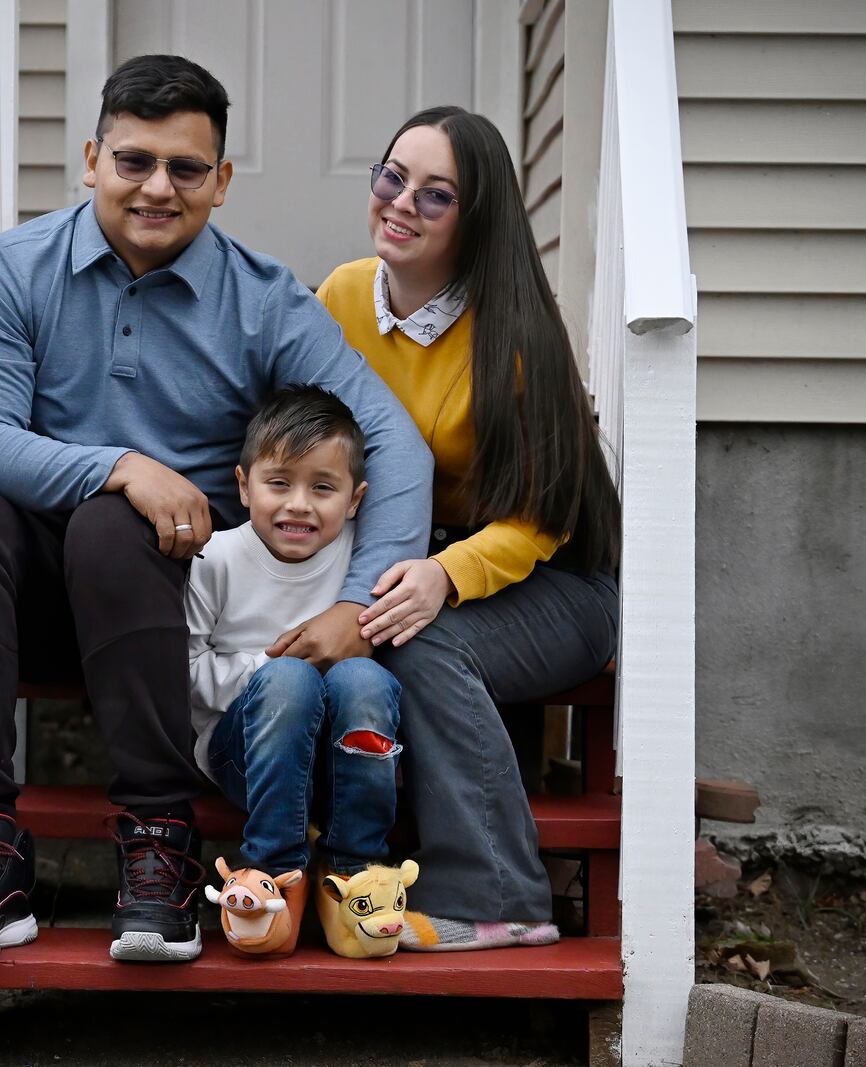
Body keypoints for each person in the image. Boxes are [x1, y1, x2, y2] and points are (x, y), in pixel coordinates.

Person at [0, 55, 432, 965]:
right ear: (91, 160)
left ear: (221, 182)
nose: (157, 187)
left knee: (116, 528)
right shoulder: (15, 268)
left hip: (174, 604)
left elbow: (392, 439)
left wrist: (356, 604)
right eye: (133, 161)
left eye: (186, 169)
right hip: (38, 587)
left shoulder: (262, 299)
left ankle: (159, 842)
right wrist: (121, 465)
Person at [316, 106, 621, 951]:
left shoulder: (515, 330)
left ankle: (499, 897)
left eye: (435, 195)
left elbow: (542, 517)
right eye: (392, 178)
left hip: (555, 579)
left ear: (475, 218)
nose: (402, 203)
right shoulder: (341, 294)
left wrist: (447, 574)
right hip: (415, 561)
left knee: (420, 638)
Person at [187, 385, 403, 956]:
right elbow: (186, 672)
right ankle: (271, 871)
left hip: (338, 764)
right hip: (244, 753)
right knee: (291, 680)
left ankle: (356, 871)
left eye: (323, 488)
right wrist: (273, 667)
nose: (298, 505)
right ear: (243, 485)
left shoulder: (365, 557)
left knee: (367, 679)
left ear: (356, 500)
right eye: (278, 483)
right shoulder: (217, 560)